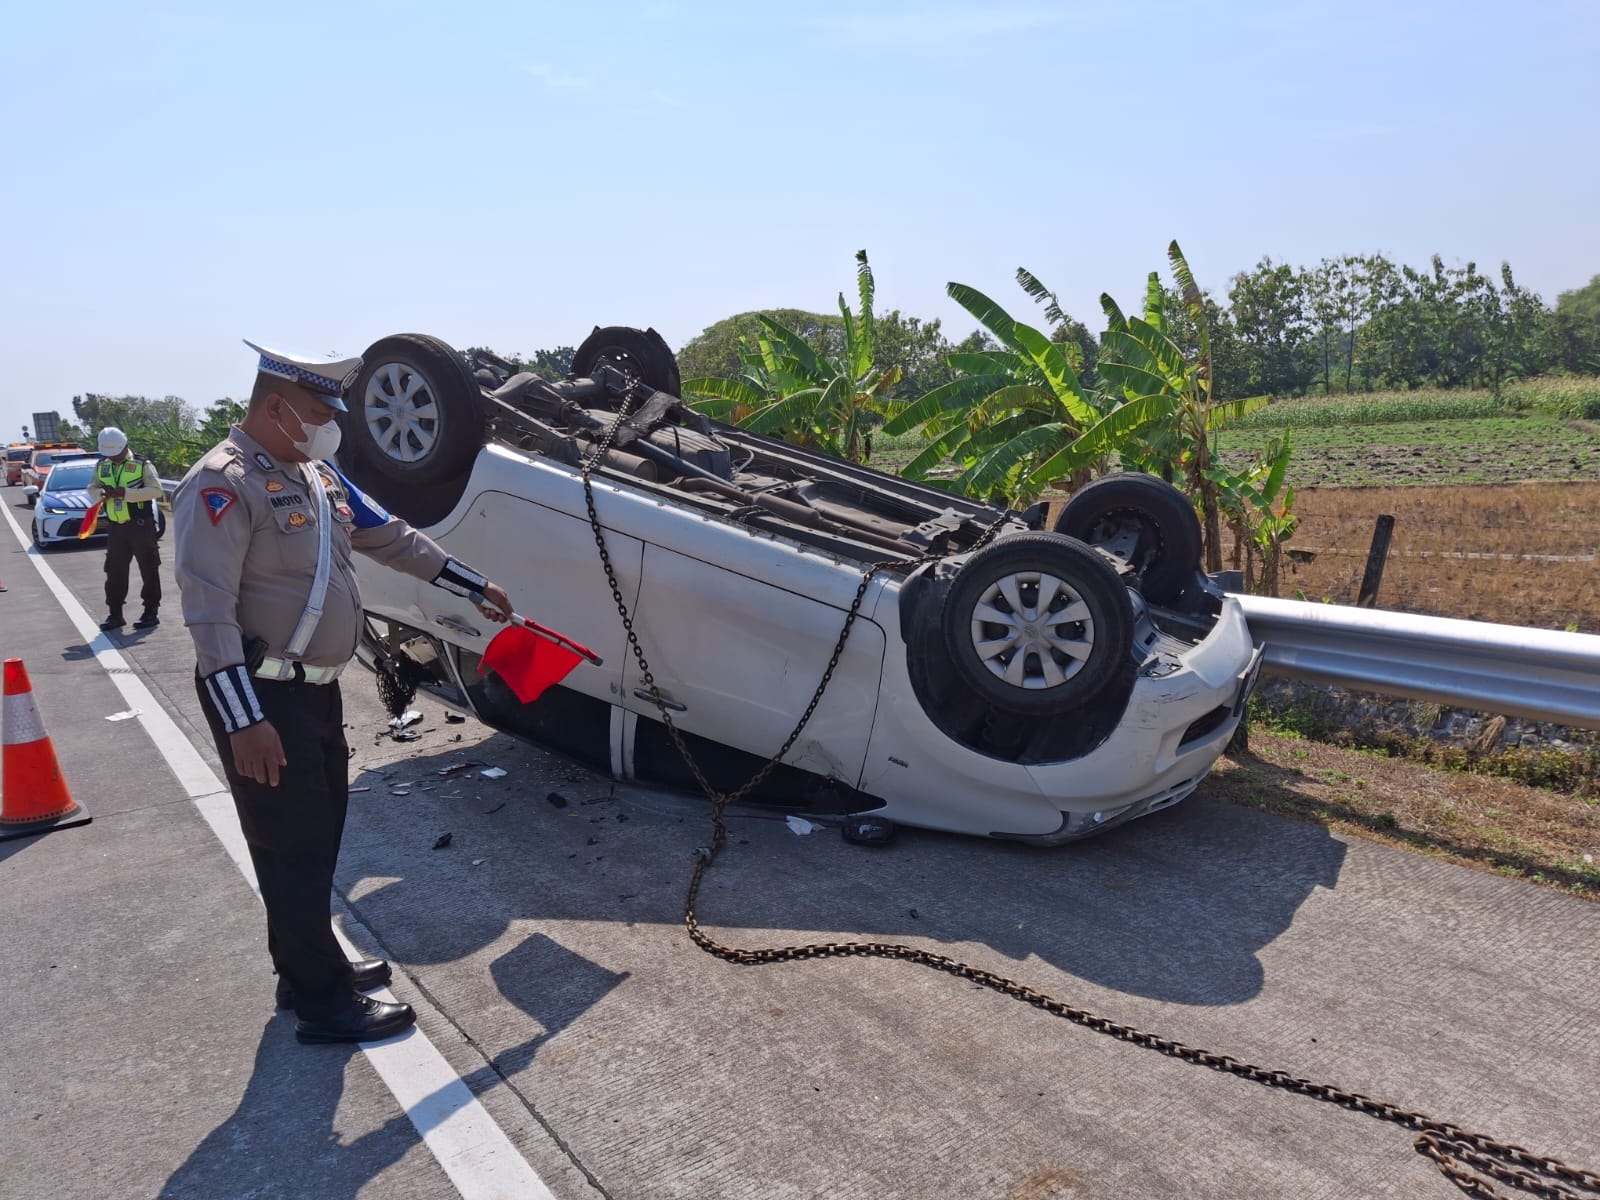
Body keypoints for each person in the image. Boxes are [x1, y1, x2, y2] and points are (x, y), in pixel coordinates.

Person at [173, 339, 513, 1045]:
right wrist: (244, 723)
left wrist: (474, 586)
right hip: (260, 698)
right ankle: (323, 1002)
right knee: (292, 845)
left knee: (314, 838)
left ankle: (306, 966)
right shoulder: (222, 483)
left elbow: (392, 538)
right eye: (318, 407)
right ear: (276, 407)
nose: (330, 420)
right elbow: (208, 616)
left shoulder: (317, 476)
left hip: (313, 693)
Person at [86, 426, 165, 631]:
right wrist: (100, 494)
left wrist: (126, 493)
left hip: (140, 526)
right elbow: (92, 487)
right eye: (109, 455)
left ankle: (150, 612)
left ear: (124, 446)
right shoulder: (102, 465)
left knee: (149, 569)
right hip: (115, 528)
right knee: (114, 571)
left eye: (116, 454)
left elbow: (157, 491)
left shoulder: (141, 464)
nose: (113, 458)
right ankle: (115, 615)